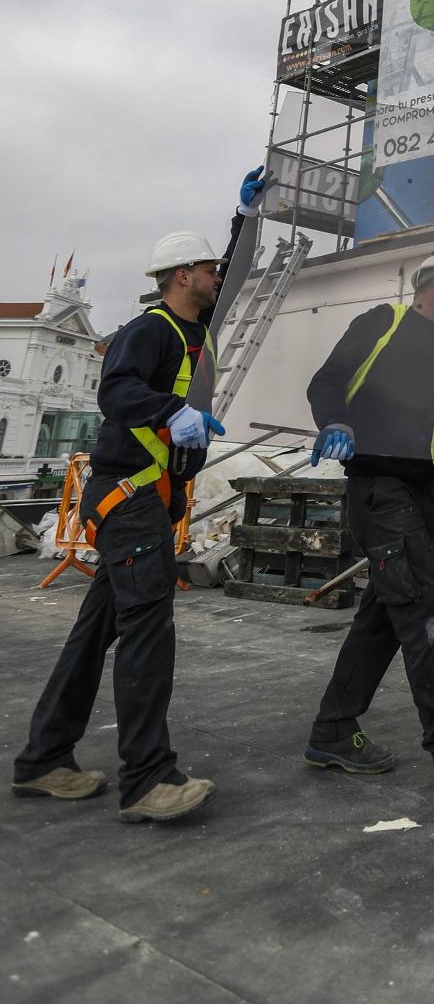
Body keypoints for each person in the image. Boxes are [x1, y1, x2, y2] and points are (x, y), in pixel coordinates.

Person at [11, 166, 266, 822]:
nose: (216, 277)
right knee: (148, 631)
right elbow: (116, 390)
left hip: (143, 501)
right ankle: (149, 779)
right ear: (182, 275)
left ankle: (44, 759)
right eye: (207, 269)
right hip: (130, 501)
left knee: (95, 634)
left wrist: (247, 218)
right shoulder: (148, 331)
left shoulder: (194, 333)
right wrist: (168, 413)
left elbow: (237, 279)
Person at [303, 253, 434, 786]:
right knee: (423, 602)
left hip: (420, 491)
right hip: (378, 488)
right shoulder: (382, 322)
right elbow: (327, 381)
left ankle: (332, 731)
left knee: (383, 615)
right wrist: (335, 422)